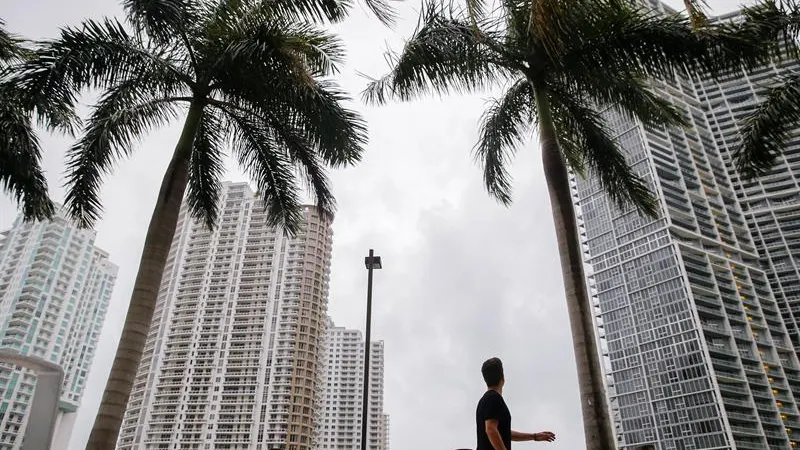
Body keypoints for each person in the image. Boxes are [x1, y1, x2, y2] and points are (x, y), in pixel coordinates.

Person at [476, 357, 556, 450]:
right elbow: (490, 430)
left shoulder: (485, 400)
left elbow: (503, 433)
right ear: (503, 378)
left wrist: (534, 436)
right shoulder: (493, 398)